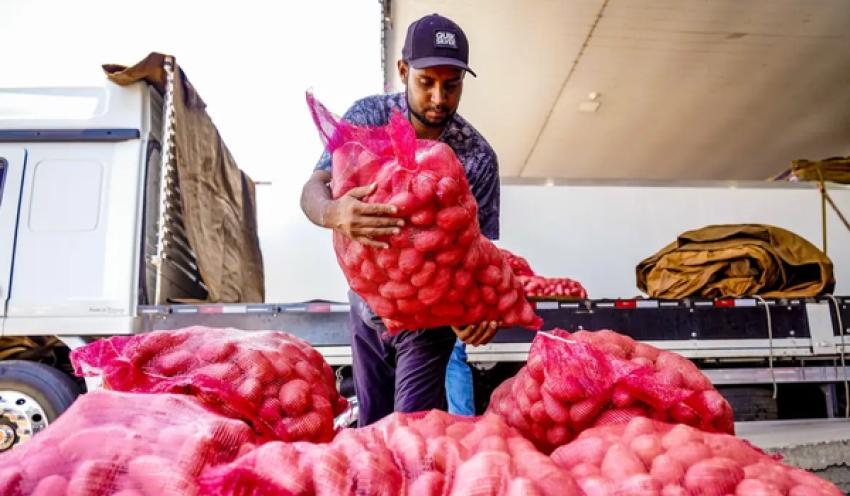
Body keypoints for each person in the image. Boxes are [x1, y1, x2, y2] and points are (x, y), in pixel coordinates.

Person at [300, 13, 500, 427]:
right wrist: (333, 211)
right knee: (372, 429)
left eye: (452, 84)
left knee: (411, 432)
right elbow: (312, 189)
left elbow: (480, 255)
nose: (439, 98)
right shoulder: (368, 117)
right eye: (427, 82)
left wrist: (480, 306)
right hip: (366, 310)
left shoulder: (477, 156)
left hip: (431, 320)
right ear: (403, 71)